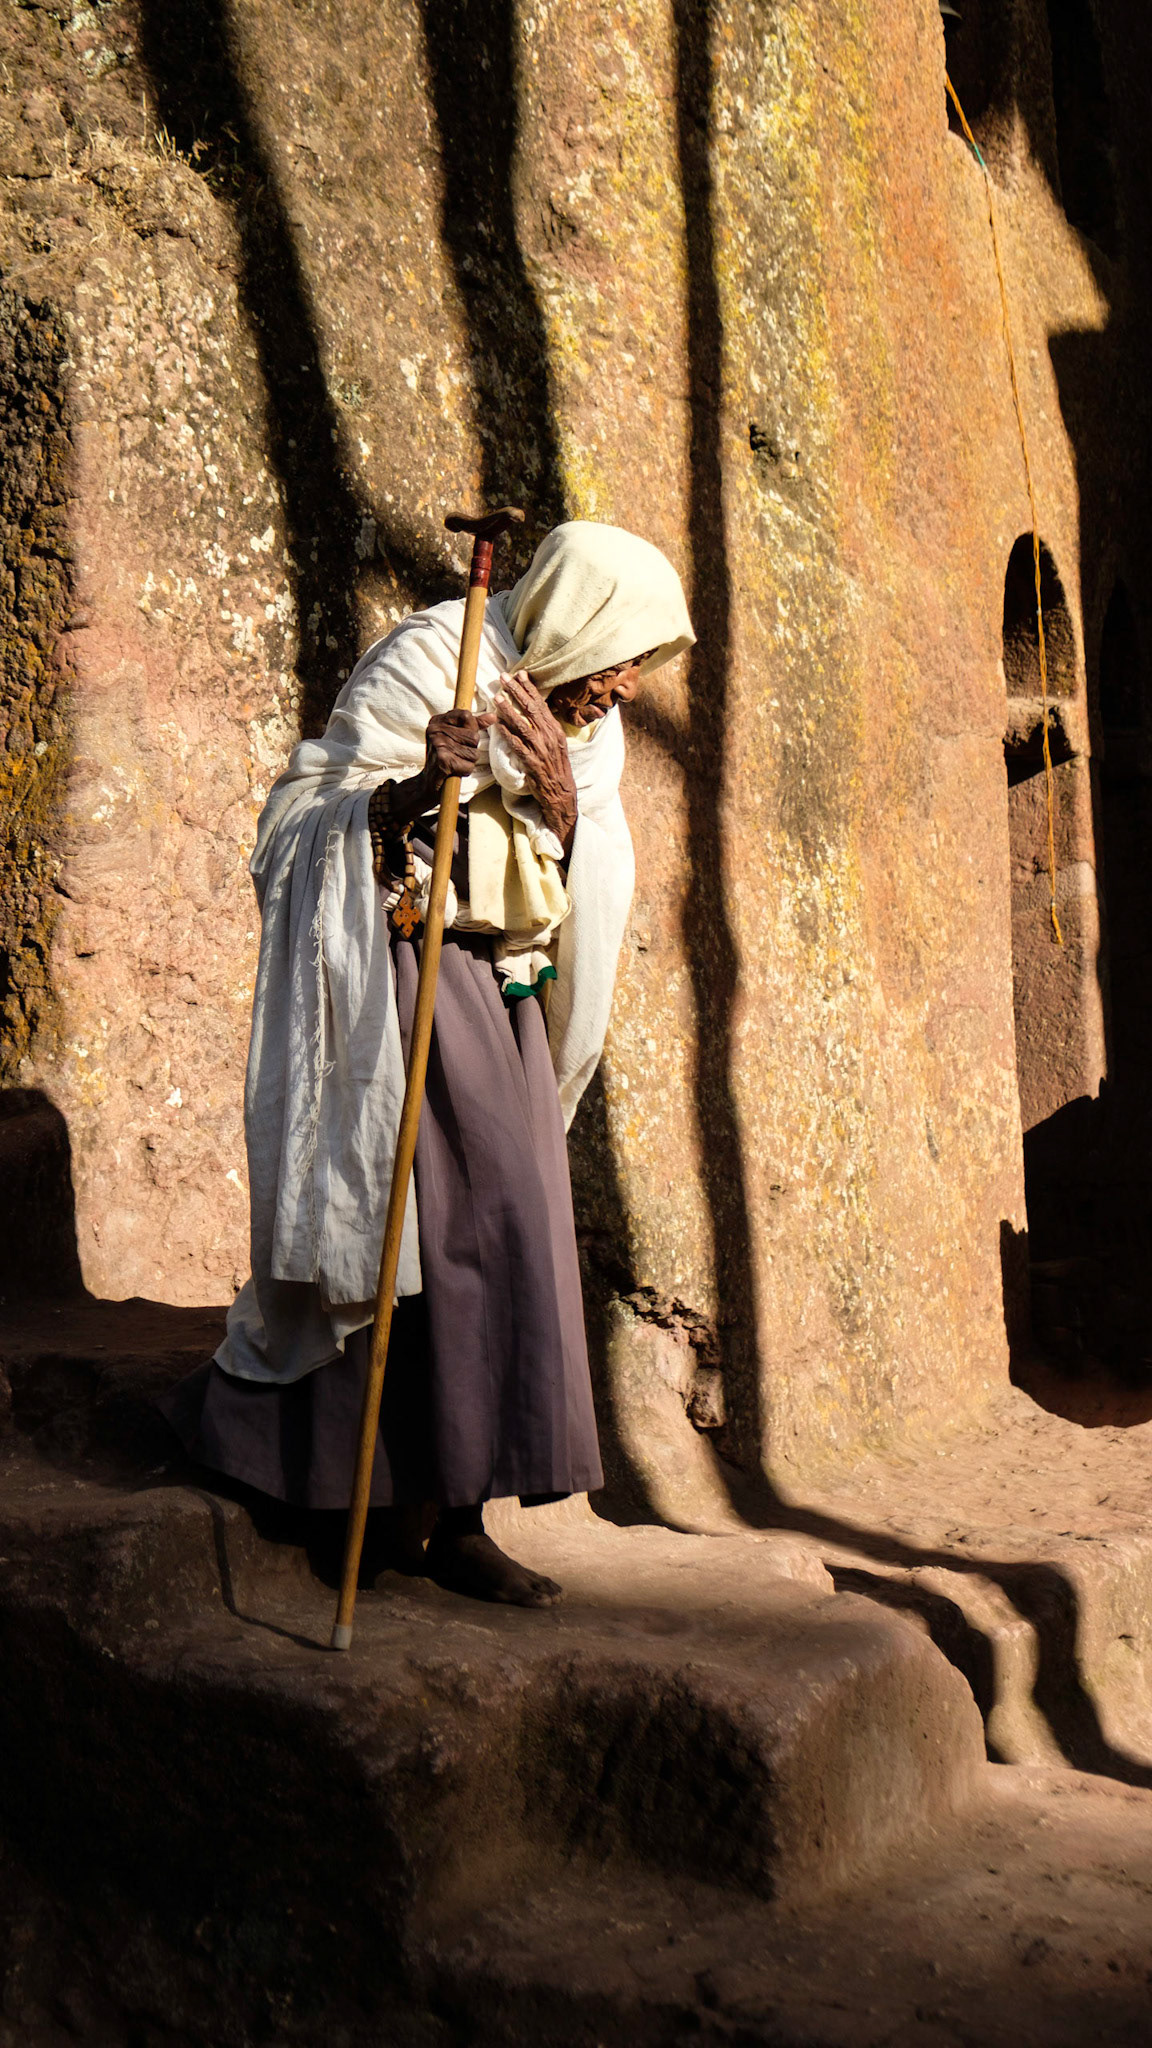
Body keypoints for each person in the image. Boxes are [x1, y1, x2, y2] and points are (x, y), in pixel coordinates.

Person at [162, 519, 694, 1606]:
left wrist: (562, 804)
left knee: (509, 1217)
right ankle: (322, 1485)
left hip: (502, 992)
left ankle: (459, 1513)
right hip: (401, 978)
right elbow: (298, 819)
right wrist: (414, 783)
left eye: (644, 661)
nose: (629, 686)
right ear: (573, 620)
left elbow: (589, 861)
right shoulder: (431, 658)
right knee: (397, 1224)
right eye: (622, 655)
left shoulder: (587, 729)